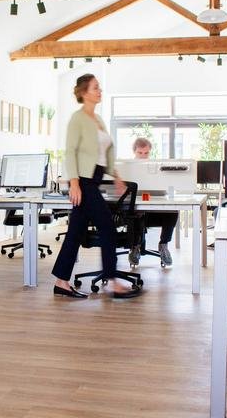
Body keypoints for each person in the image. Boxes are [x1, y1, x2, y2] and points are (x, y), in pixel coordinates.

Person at [51, 74, 143, 299]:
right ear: (84, 92)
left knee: (75, 232)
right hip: (84, 181)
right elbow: (70, 151)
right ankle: (112, 282)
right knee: (108, 228)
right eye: (95, 88)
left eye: (99, 87)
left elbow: (105, 154)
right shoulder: (78, 118)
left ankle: (61, 282)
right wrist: (74, 183)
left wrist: (117, 176)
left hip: (95, 178)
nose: (99, 91)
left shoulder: (98, 120)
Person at [130, 137, 177, 266]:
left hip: (152, 211)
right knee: (136, 213)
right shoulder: (128, 168)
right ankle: (135, 247)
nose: (143, 156)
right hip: (134, 212)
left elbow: (163, 189)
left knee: (172, 211)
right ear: (134, 152)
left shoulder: (156, 168)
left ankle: (163, 245)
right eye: (140, 153)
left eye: (146, 153)